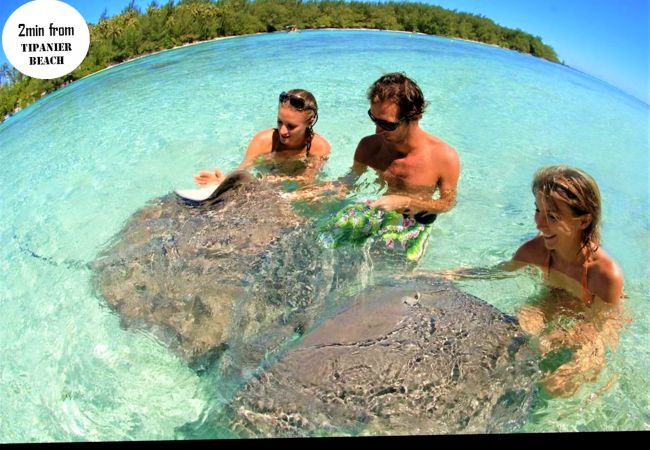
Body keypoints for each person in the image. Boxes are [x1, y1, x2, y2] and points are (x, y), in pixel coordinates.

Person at [432, 165, 626, 396]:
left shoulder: (604, 274)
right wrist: (449, 274)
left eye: (552, 217)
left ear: (583, 221)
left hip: (591, 321)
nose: (539, 224)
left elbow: (603, 324)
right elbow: (496, 272)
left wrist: (569, 338)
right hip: (548, 302)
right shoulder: (536, 250)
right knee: (511, 340)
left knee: (558, 388)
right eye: (538, 211)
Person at [321, 73, 460, 262]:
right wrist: (315, 194)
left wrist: (407, 203)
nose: (377, 130)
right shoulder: (369, 146)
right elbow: (350, 181)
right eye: (374, 118)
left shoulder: (444, 158)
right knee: (324, 240)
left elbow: (447, 203)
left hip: (414, 221)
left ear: (415, 117)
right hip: (376, 209)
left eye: (387, 124)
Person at [193, 89, 331, 186]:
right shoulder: (263, 141)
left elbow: (306, 182)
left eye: (291, 126)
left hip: (286, 186)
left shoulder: (319, 147)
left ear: (310, 121)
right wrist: (223, 182)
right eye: (279, 122)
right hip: (265, 179)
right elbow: (243, 169)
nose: (283, 131)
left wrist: (277, 181)